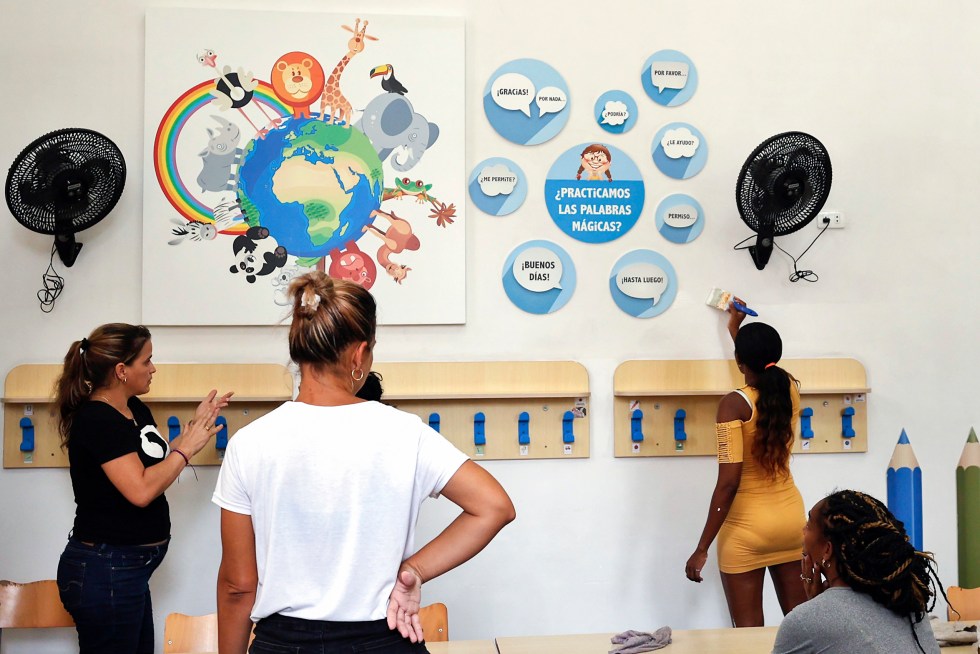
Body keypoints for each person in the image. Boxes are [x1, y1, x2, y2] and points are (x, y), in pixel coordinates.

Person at [214, 272, 516, 654]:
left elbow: (238, 586)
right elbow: (494, 507)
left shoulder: (250, 443)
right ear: (359, 355)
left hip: (283, 644)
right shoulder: (406, 432)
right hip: (385, 640)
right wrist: (414, 571)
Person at [54, 323, 232, 653]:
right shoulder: (97, 420)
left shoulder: (134, 408)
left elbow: (155, 467)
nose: (153, 368)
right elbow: (140, 490)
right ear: (122, 370)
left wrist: (197, 427)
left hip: (127, 571)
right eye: (146, 361)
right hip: (104, 570)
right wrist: (187, 447)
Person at [685, 302, 807, 626]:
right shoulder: (789, 391)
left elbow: (728, 483)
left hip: (746, 531)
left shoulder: (731, 405)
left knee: (749, 637)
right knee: (803, 629)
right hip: (792, 523)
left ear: (739, 362)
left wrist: (702, 547)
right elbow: (759, 374)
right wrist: (734, 331)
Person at [771, 490, 942, 654]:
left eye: (808, 526)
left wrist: (814, 609)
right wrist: (818, 606)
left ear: (827, 551)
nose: (802, 531)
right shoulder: (909, 603)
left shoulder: (802, 622)